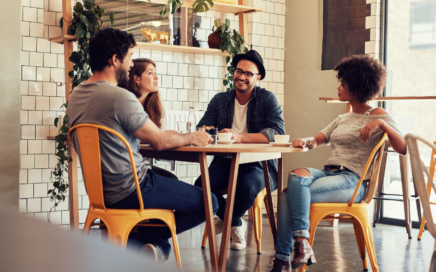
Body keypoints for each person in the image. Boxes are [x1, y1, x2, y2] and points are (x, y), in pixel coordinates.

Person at [67, 28, 217, 262]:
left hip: (101, 193)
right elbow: (159, 141)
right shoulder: (119, 97)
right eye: (128, 58)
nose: (130, 65)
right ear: (114, 59)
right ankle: (142, 241)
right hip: (132, 187)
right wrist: (192, 137)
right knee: (211, 201)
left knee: (171, 181)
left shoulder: (75, 96)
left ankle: (145, 243)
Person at [270, 54, 407, 272]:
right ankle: (302, 244)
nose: (338, 88)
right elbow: (316, 140)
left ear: (357, 87)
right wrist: (304, 141)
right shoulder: (342, 119)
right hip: (329, 174)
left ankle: (282, 261)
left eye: (343, 84)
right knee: (296, 175)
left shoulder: (378, 114)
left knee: (288, 196)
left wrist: (379, 123)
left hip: (353, 182)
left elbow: (403, 147)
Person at [194, 50, 285, 250]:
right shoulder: (220, 100)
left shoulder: (267, 99)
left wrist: (239, 136)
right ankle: (234, 222)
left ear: (258, 77)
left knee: (245, 187)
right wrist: (209, 132)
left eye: (248, 73)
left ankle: (225, 220)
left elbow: (276, 132)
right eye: (238, 71)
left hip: (258, 164)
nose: (242, 77)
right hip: (226, 160)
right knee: (201, 184)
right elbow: (203, 128)